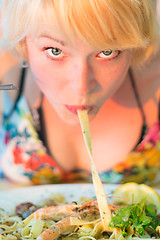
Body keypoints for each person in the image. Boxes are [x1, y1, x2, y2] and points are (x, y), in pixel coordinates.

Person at [0, 0, 160, 187]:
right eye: (55, 51)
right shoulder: (6, 75)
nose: (81, 88)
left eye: (107, 52)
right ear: (23, 40)